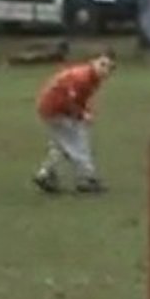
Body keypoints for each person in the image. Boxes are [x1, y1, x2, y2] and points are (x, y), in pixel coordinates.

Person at [32, 51, 116, 194]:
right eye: (102, 64)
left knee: (64, 144)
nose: (105, 70)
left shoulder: (92, 78)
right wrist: (82, 114)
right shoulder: (82, 77)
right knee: (78, 141)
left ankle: (45, 174)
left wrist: (85, 111)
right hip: (56, 109)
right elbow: (68, 100)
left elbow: (81, 99)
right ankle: (86, 178)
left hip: (52, 108)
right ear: (93, 61)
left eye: (109, 67)